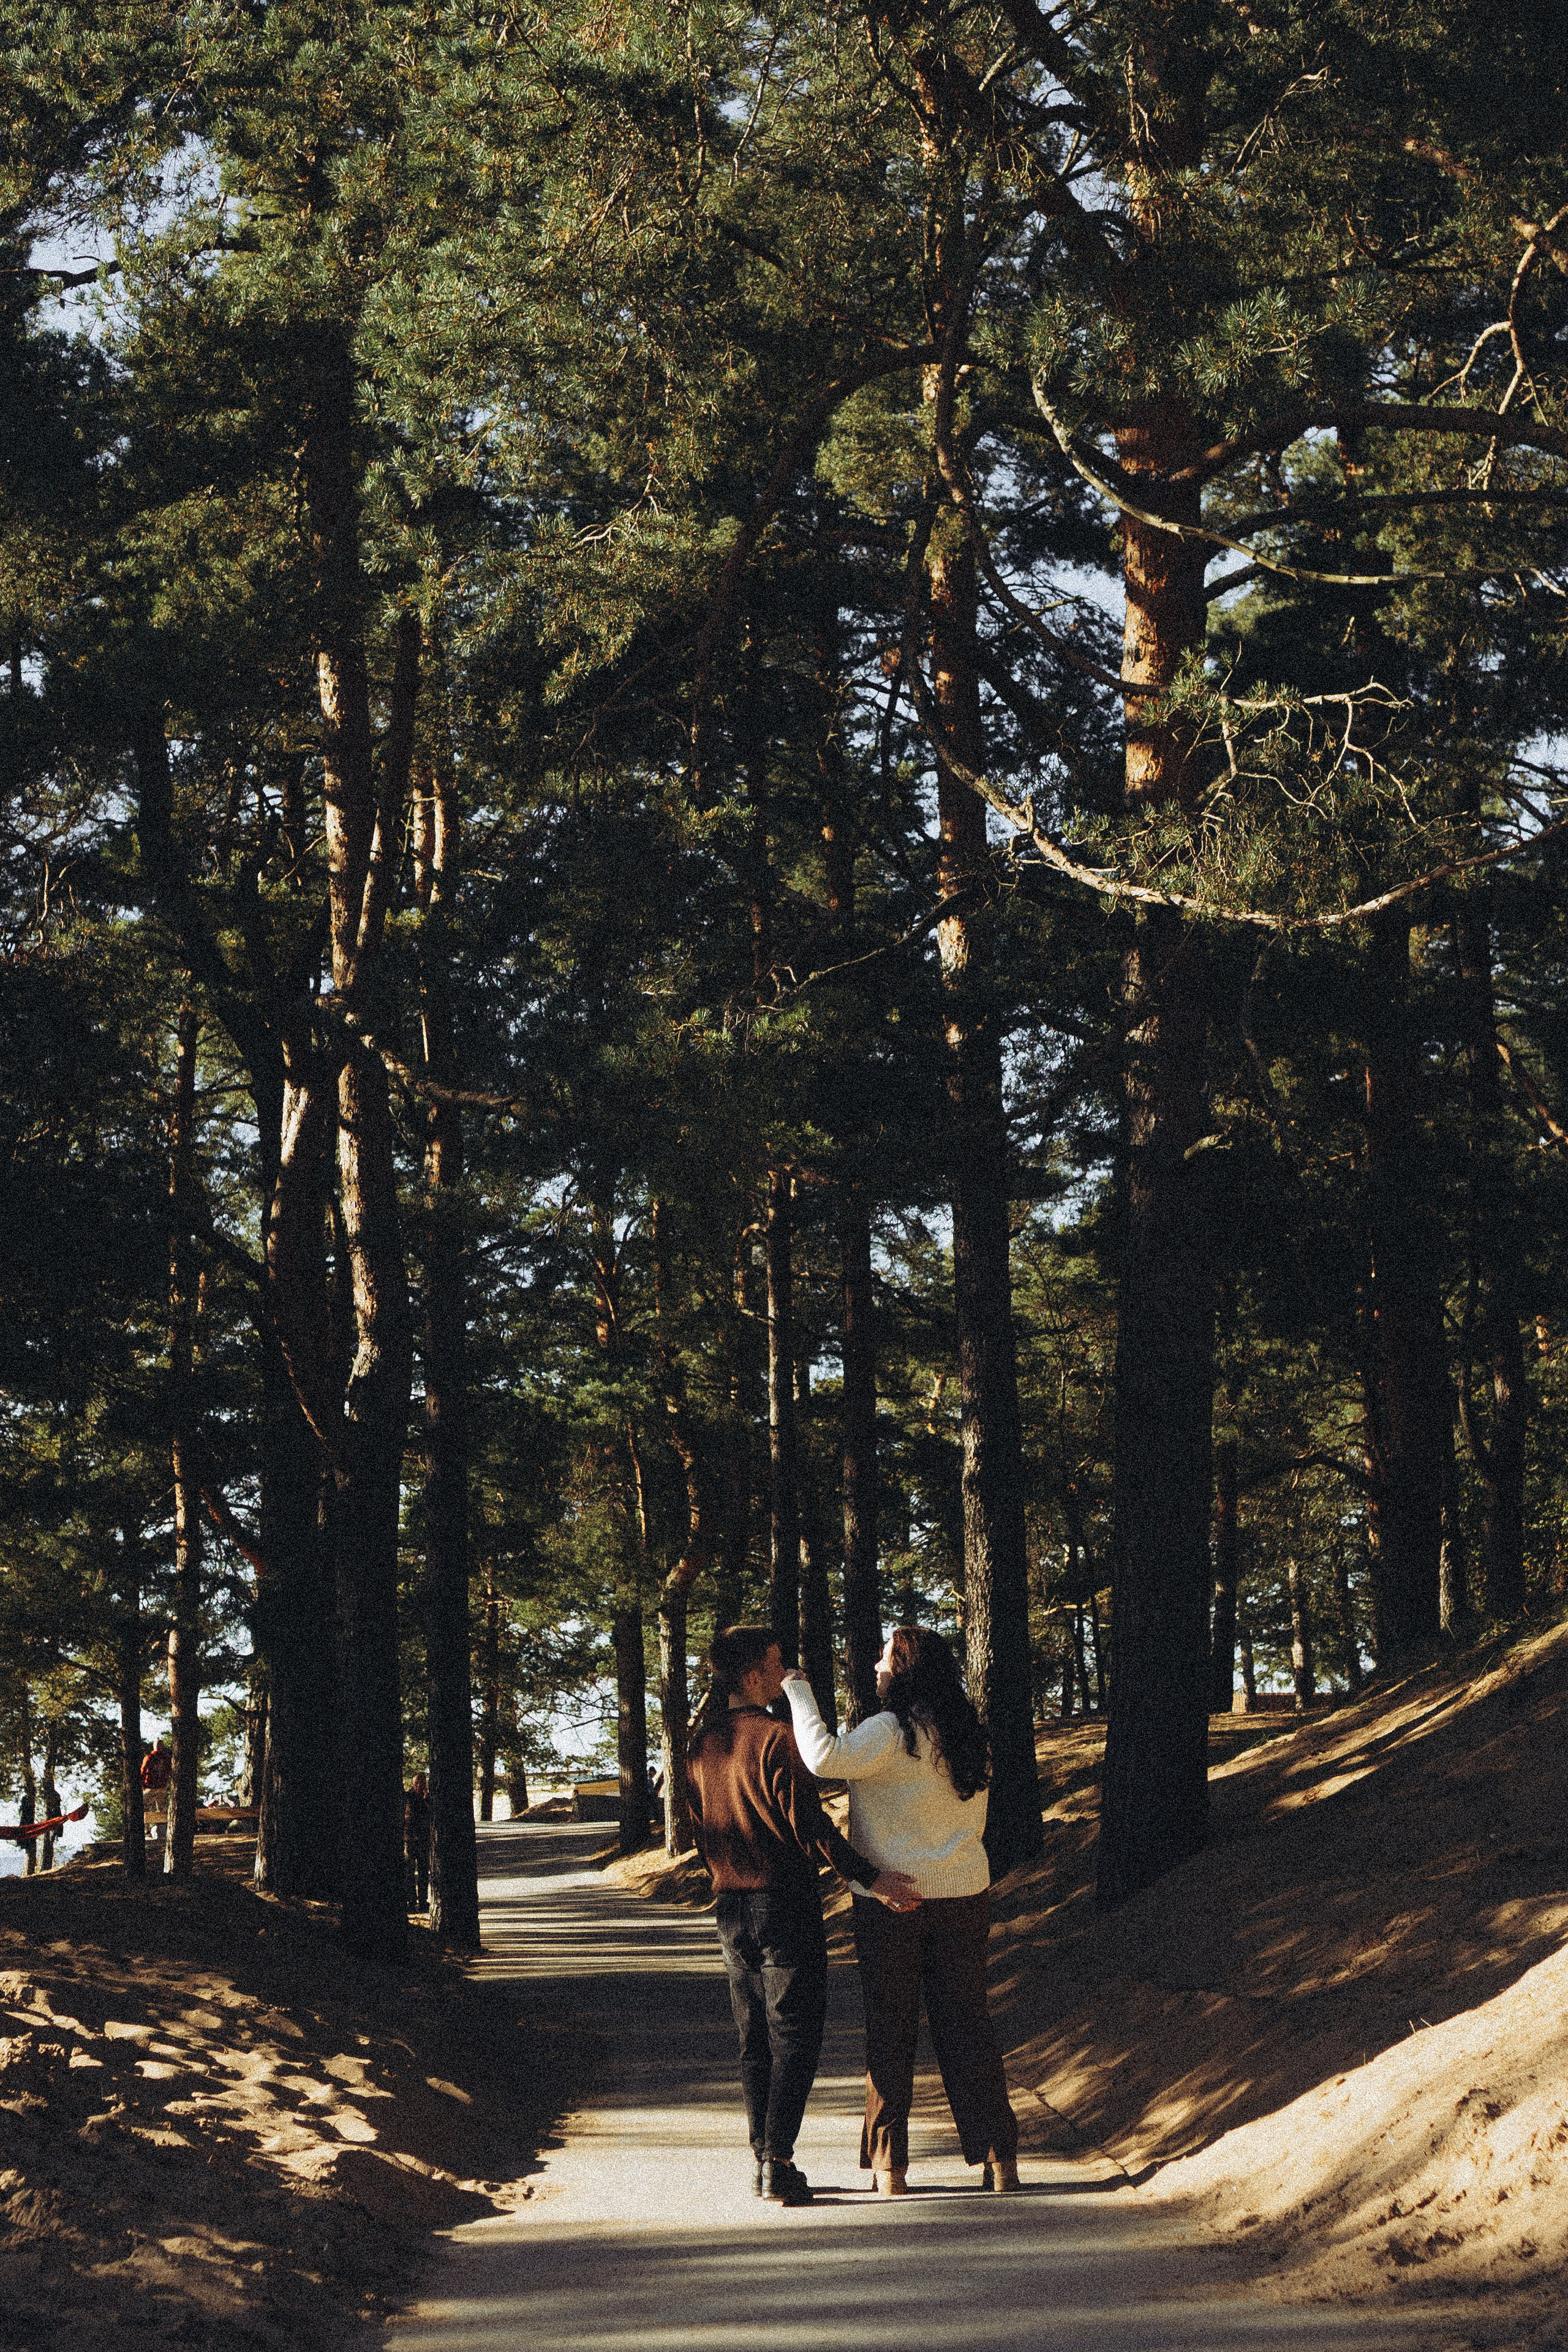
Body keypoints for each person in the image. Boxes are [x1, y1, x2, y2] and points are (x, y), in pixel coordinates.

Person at [686, 1624, 921, 2207]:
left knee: (754, 2037)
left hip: (730, 1908)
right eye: (776, 1663)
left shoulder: (700, 1743)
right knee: (795, 2033)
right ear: (752, 1676)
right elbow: (808, 1826)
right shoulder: (774, 1738)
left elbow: (698, 1830)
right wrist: (869, 1876)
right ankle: (778, 2160)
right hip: (783, 1902)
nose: (785, 1669)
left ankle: (764, 2160)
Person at [782, 1626, 1021, 2198]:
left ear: (906, 1667)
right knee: (967, 2025)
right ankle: (1002, 2160)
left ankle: (891, 2170)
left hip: (893, 1899)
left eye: (884, 1654)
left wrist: (797, 1691)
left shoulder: (891, 1731)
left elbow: (822, 1757)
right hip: (965, 1895)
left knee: (891, 2029)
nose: (875, 1663)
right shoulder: (969, 1736)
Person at [404, 1770, 431, 1911]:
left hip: (424, 1841)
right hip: (409, 1840)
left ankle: (423, 1901)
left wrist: (426, 1799)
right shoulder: (407, 1797)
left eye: (422, 1783)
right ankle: (411, 1901)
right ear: (412, 1784)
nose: (419, 1785)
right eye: (416, 1783)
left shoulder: (429, 1799)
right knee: (409, 1873)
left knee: (423, 1873)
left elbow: (431, 1815)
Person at [141, 1736, 172, 1847]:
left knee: (145, 1810)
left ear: (154, 1746)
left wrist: (141, 1784)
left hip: (150, 1788)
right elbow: (170, 1771)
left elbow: (143, 1771)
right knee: (162, 1809)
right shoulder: (166, 1758)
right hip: (161, 1788)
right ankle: (161, 1831)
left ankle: (147, 1832)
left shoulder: (149, 1757)